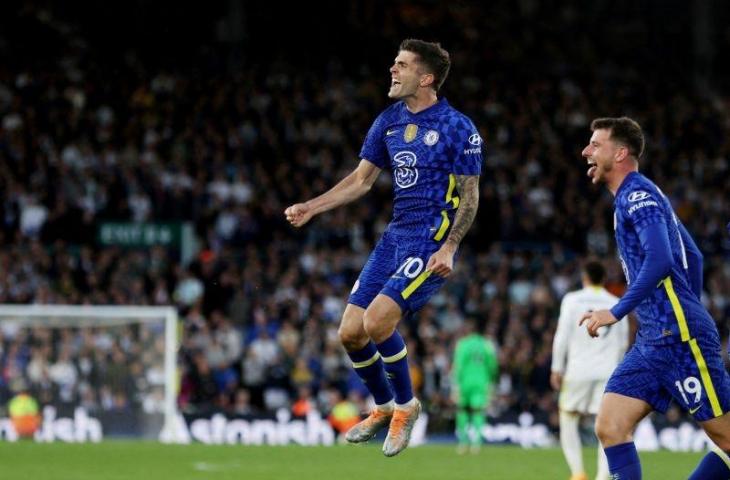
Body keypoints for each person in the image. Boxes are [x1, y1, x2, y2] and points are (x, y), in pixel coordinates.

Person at [285, 38, 482, 457]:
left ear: (425, 77)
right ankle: (382, 406)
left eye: (402, 64)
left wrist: (449, 247)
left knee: (377, 323)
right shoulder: (388, 120)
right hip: (395, 237)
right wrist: (312, 207)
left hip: (430, 240)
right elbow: (360, 180)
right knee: (350, 333)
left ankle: (406, 407)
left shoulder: (457, 127)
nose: (392, 70)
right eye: (393, 62)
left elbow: (470, 194)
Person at [579, 117, 730, 479]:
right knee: (610, 426)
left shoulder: (637, 195)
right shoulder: (641, 195)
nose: (586, 151)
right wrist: (680, 306)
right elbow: (693, 256)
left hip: (677, 337)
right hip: (653, 340)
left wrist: (617, 311)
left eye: (595, 145)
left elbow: (661, 258)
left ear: (620, 153)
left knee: (726, 438)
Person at [551, 260, 630, 480]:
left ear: (585, 277)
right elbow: (623, 343)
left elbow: (562, 336)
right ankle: (602, 477)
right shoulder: (615, 302)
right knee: (607, 427)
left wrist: (557, 368)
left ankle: (578, 473)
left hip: (578, 370)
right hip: (608, 372)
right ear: (603, 279)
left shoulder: (571, 300)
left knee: (568, 418)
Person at [452, 317, 498, 454]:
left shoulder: (462, 344)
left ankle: (463, 442)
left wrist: (455, 385)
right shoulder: (487, 344)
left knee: (462, 410)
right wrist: (492, 381)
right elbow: (493, 366)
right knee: (478, 411)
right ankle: (476, 443)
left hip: (465, 382)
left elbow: (458, 366)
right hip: (481, 382)